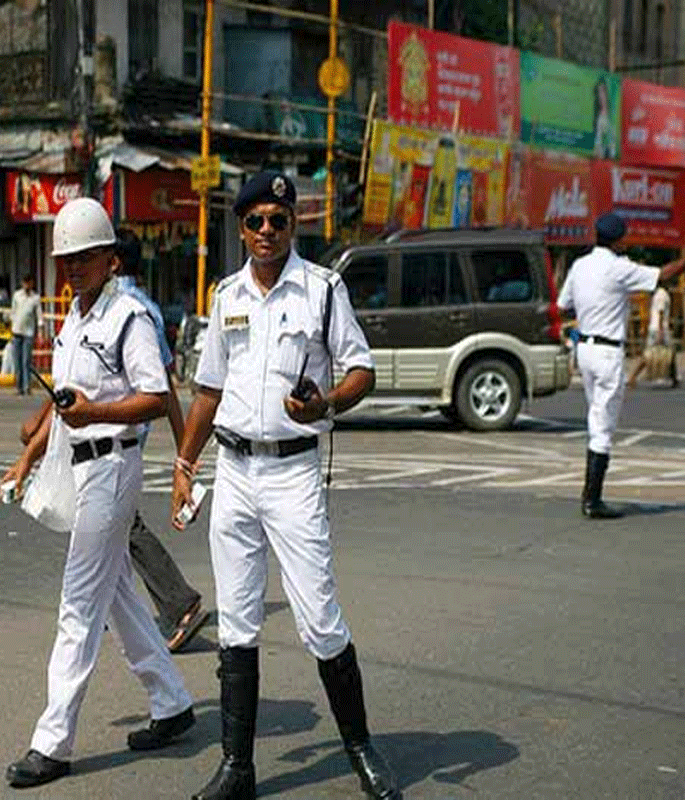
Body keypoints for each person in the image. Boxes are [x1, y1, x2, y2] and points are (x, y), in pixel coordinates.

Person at [171, 171, 400, 800]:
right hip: (235, 473)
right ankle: (236, 769)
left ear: (293, 224)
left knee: (320, 618)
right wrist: (184, 468)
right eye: (255, 221)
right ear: (240, 228)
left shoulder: (323, 290)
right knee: (238, 622)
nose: (266, 231)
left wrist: (324, 401)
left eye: (278, 219)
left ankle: (361, 748)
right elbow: (208, 391)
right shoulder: (225, 297)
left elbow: (363, 371)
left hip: (295, 472)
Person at [0, 198, 195, 789]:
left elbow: (156, 396)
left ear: (111, 258)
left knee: (78, 603)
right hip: (79, 462)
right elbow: (65, 399)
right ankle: (172, 701)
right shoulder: (76, 319)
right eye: (66, 259)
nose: (74, 268)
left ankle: (52, 742)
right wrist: (29, 453)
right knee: (116, 596)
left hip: (113, 465)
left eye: (85, 257)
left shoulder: (129, 316)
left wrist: (99, 416)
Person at [558, 213, 685, 519]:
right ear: (618, 240)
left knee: (595, 417)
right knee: (603, 426)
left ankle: (590, 494)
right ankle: (592, 500)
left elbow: (564, 304)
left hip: (584, 349)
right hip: (607, 352)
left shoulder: (580, 266)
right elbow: (663, 274)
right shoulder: (618, 268)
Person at [113, 228, 208, 652]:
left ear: (111, 261)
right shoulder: (146, 307)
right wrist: (181, 451)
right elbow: (167, 386)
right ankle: (99, 610)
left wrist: (184, 457)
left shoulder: (125, 308)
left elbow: (161, 388)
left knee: (120, 525)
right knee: (107, 528)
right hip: (126, 433)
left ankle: (180, 602)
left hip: (115, 434)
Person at [627, 282, 679, 389]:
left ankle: (674, 377)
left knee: (670, 353)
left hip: (657, 328)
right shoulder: (662, 295)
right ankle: (633, 376)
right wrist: (660, 331)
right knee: (649, 355)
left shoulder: (658, 295)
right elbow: (660, 312)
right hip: (659, 329)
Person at [9, 273, 40, 395]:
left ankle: (27, 386)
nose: (27, 285)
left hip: (28, 332)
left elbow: (39, 315)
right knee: (17, 361)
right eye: (25, 282)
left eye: (29, 282)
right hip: (17, 331)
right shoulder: (17, 296)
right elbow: (13, 312)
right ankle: (19, 387)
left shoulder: (35, 298)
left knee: (26, 361)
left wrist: (41, 331)